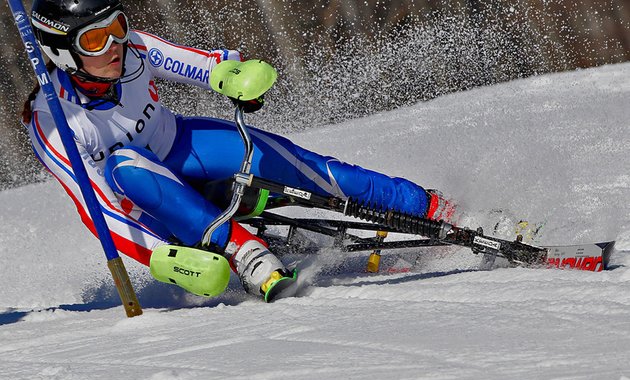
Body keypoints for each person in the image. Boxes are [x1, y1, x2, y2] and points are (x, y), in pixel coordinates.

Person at [22, 0, 455, 301]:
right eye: (95, 41)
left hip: (180, 146)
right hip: (149, 206)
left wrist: (233, 77)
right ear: (60, 53)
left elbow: (200, 64)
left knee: (301, 166)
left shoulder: (133, 49)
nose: (114, 45)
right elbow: (98, 212)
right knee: (124, 165)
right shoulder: (52, 123)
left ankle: (432, 208)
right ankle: (245, 252)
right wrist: (163, 257)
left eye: (117, 27)